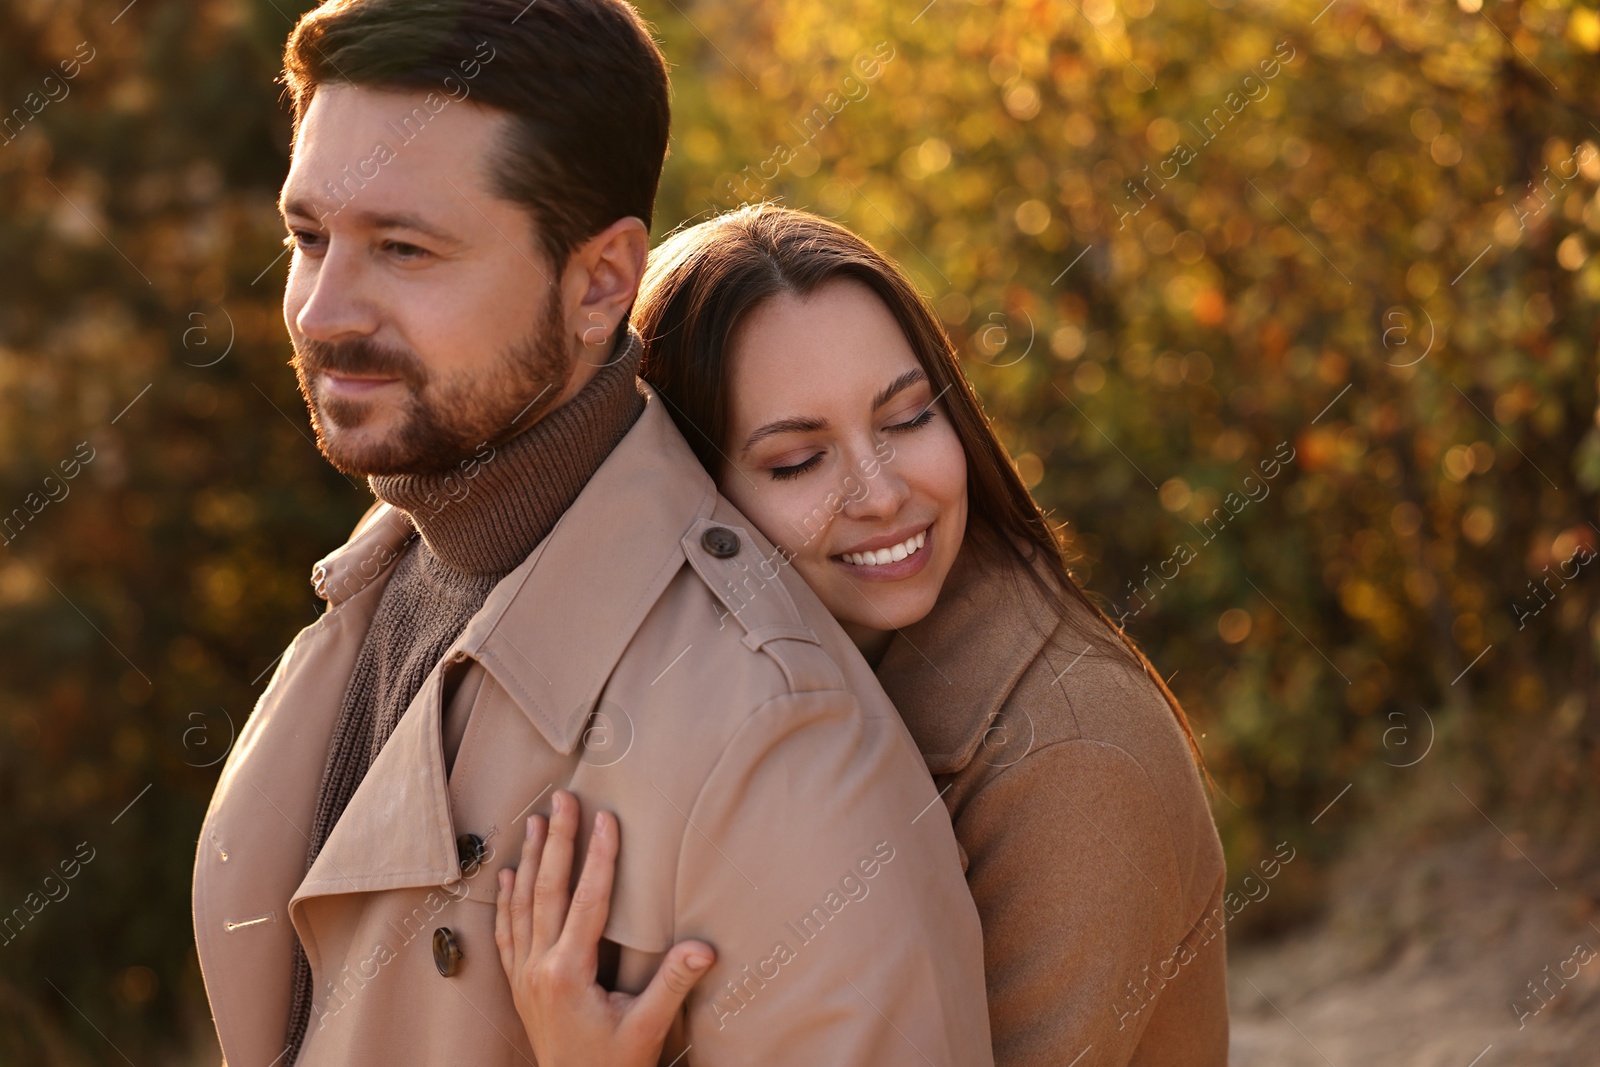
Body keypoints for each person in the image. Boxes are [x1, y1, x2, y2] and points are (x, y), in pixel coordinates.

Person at [190, 4, 994, 1066]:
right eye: (308, 238)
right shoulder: (385, 575)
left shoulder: (772, 742)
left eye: (403, 247)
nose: (324, 309)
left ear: (602, 282)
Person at [499, 204, 1230, 1066]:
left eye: (910, 417)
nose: (880, 494)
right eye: (798, 461)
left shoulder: (1075, 758)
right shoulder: (681, 716)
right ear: (684, 498)